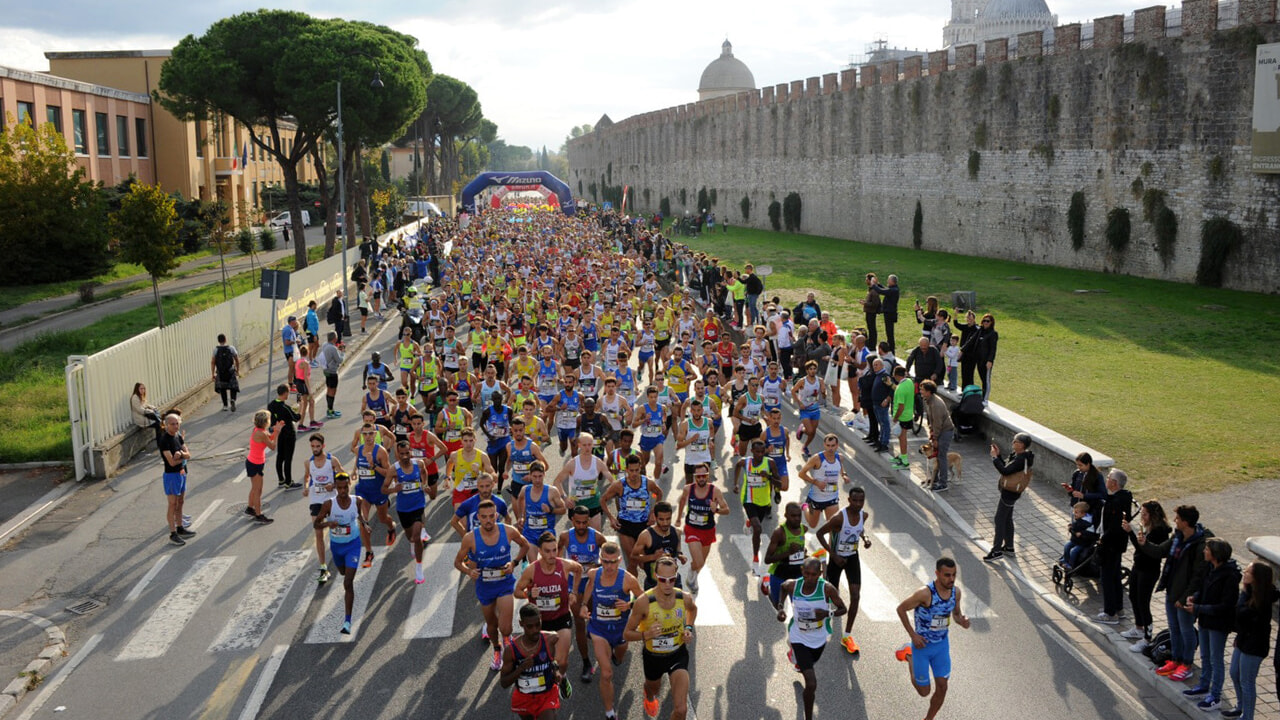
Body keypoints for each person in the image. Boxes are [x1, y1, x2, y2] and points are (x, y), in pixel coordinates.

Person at [454, 499, 531, 671]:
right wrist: (469, 572)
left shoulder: (508, 531)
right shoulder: (470, 538)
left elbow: (525, 545)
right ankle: (496, 649)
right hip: (484, 587)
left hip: (504, 583)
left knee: (507, 627)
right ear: (478, 518)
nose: (488, 520)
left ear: (496, 515)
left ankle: (507, 643)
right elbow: (458, 562)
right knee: (492, 624)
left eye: (491, 516)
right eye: (484, 517)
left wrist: (514, 563)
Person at [1137, 504, 1211, 683]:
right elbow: (1161, 550)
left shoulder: (1201, 545)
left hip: (1185, 597)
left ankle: (1187, 664)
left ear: (1185, 522)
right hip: (1172, 591)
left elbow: (1198, 576)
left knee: (1186, 631)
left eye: (1177, 518)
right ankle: (1176, 660)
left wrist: (1185, 597)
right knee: (1174, 629)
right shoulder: (1178, 536)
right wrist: (1144, 544)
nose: (1175, 521)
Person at [895, 557, 971, 720]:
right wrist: (913, 635)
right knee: (924, 692)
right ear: (937, 574)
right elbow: (901, 609)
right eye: (947, 575)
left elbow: (956, 614)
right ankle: (909, 656)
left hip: (941, 646)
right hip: (922, 647)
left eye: (954, 575)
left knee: (942, 687)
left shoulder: (955, 592)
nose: (951, 579)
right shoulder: (925, 593)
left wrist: (962, 621)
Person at [775, 557, 848, 720]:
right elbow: (782, 587)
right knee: (811, 682)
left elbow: (843, 609)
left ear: (820, 574)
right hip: (798, 636)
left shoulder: (827, 589)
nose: (809, 578)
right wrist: (780, 608)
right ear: (802, 571)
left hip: (819, 638)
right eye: (806, 574)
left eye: (814, 575)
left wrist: (827, 613)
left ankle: (797, 660)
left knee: (810, 663)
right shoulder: (794, 585)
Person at [625, 556, 697, 720]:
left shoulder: (683, 598)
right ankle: (648, 694)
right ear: (656, 576)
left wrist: (688, 628)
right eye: (663, 579)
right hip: (653, 657)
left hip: (678, 654)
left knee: (681, 710)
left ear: (676, 576)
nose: (667, 584)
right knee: (654, 689)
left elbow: (693, 611)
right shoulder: (644, 602)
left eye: (671, 580)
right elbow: (627, 633)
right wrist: (646, 634)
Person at [515, 532, 583, 699]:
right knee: (542, 659)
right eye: (547, 551)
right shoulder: (532, 570)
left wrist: (573, 592)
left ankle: (561, 678)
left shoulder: (564, 565)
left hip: (561, 618)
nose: (552, 555)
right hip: (540, 622)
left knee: (562, 661)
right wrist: (529, 593)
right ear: (540, 551)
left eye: (554, 550)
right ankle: (547, 681)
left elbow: (579, 569)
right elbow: (517, 591)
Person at [579, 541, 642, 720]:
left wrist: (629, 604)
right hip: (599, 630)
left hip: (621, 630)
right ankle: (609, 712)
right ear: (600, 560)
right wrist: (584, 605)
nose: (609, 566)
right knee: (606, 673)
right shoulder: (594, 574)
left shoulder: (628, 579)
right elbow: (590, 586)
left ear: (620, 560)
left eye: (613, 562)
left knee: (620, 657)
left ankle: (617, 656)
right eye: (605, 561)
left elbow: (644, 600)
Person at [1184, 538, 1241, 710]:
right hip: (1205, 620)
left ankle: (1215, 696)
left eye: (1207, 549)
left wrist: (1198, 607)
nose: (1204, 551)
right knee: (1205, 657)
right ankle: (1203, 686)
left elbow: (1225, 606)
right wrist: (1196, 597)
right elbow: (1203, 588)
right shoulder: (1211, 568)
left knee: (1216, 660)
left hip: (1218, 624)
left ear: (1215, 554)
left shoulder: (1230, 577)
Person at [1074, 468, 1132, 624]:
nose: (1106, 480)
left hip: (1110, 546)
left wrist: (1102, 541)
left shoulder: (1116, 503)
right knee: (1114, 576)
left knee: (1107, 578)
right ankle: (1117, 608)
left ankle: (1110, 613)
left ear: (1114, 483)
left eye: (1108, 478)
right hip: (1117, 545)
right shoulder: (1121, 498)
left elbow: (1113, 527)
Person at [313, 473, 368, 635]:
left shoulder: (357, 500)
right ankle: (344, 575)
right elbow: (316, 523)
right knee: (342, 572)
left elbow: (360, 515)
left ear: (349, 485)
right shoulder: (328, 505)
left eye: (345, 487)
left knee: (348, 582)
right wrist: (328, 523)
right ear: (335, 487)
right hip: (337, 546)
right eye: (340, 488)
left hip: (353, 545)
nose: (343, 491)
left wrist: (366, 524)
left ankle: (347, 621)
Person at [1226, 562, 1277, 720]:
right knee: (1234, 673)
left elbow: (1242, 615)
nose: (1244, 574)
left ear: (1256, 578)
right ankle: (1240, 706)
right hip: (1243, 640)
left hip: (1255, 646)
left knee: (1247, 681)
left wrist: (1242, 598)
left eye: (1248, 572)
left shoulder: (1263, 598)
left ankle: (1247, 716)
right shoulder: (1249, 592)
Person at [600, 454, 664, 577]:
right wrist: (611, 518)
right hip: (626, 526)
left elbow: (659, 493)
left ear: (640, 468)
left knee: (645, 561)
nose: (634, 474)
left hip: (644, 525)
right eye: (631, 470)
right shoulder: (619, 485)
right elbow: (603, 500)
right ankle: (633, 591)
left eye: (636, 470)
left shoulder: (647, 483)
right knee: (633, 560)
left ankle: (650, 583)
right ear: (626, 470)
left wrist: (653, 513)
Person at [1121, 500, 1171, 652]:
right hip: (1139, 566)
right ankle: (1138, 627)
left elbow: (1146, 549)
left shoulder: (1159, 531)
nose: (1142, 516)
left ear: (1153, 515)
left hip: (1149, 570)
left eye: (1144, 514)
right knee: (1133, 596)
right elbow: (1140, 547)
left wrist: (1130, 532)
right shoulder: (1147, 526)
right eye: (1141, 513)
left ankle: (1147, 638)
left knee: (1143, 601)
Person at [382, 440, 434, 584]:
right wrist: (393, 490)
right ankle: (412, 543)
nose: (405, 456)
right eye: (402, 454)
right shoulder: (394, 469)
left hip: (418, 505)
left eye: (407, 453)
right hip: (403, 508)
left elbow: (424, 473)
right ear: (397, 454)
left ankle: (418, 567)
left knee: (417, 536)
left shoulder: (419, 464)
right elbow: (383, 489)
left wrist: (424, 485)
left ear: (411, 451)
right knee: (410, 536)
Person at [673, 463, 729, 594]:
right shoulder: (688, 489)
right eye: (698, 476)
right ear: (694, 477)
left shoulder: (714, 491)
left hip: (708, 530)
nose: (701, 479)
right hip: (692, 529)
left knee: (701, 563)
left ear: (708, 476)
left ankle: (693, 574)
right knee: (698, 560)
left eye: (704, 476)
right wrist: (678, 518)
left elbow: (727, 510)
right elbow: (682, 501)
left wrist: (717, 510)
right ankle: (693, 574)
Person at [500, 603, 563, 720]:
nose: (535, 630)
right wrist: (521, 668)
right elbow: (504, 683)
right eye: (529, 626)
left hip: (546, 695)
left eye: (538, 624)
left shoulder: (551, 639)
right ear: (521, 624)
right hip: (524, 698)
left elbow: (552, 661)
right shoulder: (511, 650)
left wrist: (556, 671)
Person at [732, 439, 784, 570]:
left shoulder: (770, 463)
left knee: (756, 525)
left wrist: (769, 477)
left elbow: (780, 484)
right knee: (758, 528)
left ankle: (749, 522)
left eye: (762, 452)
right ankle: (755, 555)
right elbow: (737, 466)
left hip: (764, 500)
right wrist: (736, 484)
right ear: (752, 451)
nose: (760, 454)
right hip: (748, 498)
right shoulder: (746, 462)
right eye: (757, 452)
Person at [983, 432, 1034, 562]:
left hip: (1010, 493)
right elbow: (1006, 467)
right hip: (1010, 492)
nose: (1013, 443)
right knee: (1007, 518)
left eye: (1015, 441)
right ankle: (1009, 547)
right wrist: (998, 455)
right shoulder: (1018, 455)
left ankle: (996, 551)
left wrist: (994, 458)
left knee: (999, 519)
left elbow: (1004, 471)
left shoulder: (1021, 459)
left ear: (1022, 445)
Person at [303, 433, 344, 585]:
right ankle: (323, 567)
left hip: (331, 499)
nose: (315, 449)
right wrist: (306, 487)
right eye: (313, 446)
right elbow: (307, 477)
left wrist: (333, 485)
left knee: (336, 531)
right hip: (315, 499)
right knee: (318, 533)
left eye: (317, 446)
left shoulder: (332, 461)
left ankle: (342, 556)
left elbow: (343, 477)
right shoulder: (308, 462)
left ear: (323, 446)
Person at [353, 424, 396, 567]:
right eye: (365, 434)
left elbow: (388, 472)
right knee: (363, 522)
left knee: (383, 518)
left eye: (371, 433)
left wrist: (374, 467)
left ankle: (391, 527)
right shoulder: (359, 450)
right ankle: (369, 552)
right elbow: (358, 463)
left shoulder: (381, 451)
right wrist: (354, 471)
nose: (368, 437)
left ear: (375, 434)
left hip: (378, 491)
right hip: (363, 492)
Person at [514, 462, 568, 563]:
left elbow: (563, 509)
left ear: (544, 475)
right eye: (534, 476)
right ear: (530, 476)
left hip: (547, 533)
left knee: (549, 562)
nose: (538, 480)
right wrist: (521, 516)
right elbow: (520, 499)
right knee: (534, 564)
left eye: (540, 476)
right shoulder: (525, 490)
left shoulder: (552, 491)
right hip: (530, 533)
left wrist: (551, 510)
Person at [158, 413, 196, 546]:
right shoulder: (164, 440)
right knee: (172, 504)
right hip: (171, 475)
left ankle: (180, 527)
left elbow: (188, 454)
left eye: (177, 423)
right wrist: (182, 456)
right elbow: (171, 462)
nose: (175, 426)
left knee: (180, 502)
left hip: (182, 473)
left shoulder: (178, 436)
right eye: (172, 424)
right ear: (166, 425)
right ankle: (173, 533)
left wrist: (180, 454)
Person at [631, 502, 686, 590]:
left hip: (673, 582)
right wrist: (653, 557)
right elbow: (633, 557)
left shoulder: (676, 532)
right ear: (655, 518)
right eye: (661, 519)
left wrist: (679, 555)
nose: (665, 523)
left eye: (668, 519)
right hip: (653, 583)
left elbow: (677, 548)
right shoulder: (646, 535)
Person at [796, 434, 845, 530]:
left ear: (837, 445)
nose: (830, 448)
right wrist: (816, 483)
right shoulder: (817, 458)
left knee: (834, 527)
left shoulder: (840, 458)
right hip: (816, 498)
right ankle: (804, 506)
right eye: (828, 445)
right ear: (824, 445)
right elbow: (801, 474)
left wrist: (844, 474)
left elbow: (840, 466)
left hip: (832, 497)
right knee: (812, 524)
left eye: (833, 445)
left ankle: (830, 546)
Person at [244, 410, 283, 524]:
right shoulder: (261, 433)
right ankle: (258, 514)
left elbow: (269, 437)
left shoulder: (260, 430)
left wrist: (276, 431)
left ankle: (250, 508)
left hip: (255, 463)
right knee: (258, 490)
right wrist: (277, 433)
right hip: (254, 464)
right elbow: (272, 446)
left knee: (255, 488)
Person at [919, 381, 954, 491]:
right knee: (937, 456)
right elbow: (931, 420)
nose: (921, 391)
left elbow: (938, 423)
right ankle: (935, 479)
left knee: (941, 457)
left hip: (945, 431)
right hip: (938, 431)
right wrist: (931, 431)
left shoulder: (936, 404)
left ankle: (943, 483)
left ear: (929, 392)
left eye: (922, 390)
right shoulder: (928, 400)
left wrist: (935, 438)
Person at [267, 384, 302, 489]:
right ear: (285, 393)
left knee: (280, 457)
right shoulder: (285, 408)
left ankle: (281, 480)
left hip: (279, 434)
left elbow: (271, 421)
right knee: (288, 458)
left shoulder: (271, 405)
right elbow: (296, 418)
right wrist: (300, 406)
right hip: (289, 435)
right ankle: (289, 482)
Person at [1058, 502, 1097, 570]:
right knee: (1067, 546)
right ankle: (1066, 560)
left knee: (1074, 551)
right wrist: (1071, 527)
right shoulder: (1078, 519)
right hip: (1075, 540)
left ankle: (1071, 565)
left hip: (1082, 542)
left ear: (1083, 514)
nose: (1074, 514)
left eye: (1076, 512)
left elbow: (1090, 532)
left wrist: (1081, 533)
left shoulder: (1087, 523)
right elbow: (1075, 526)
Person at [890, 366, 914, 470]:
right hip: (908, 415)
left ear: (895, 375)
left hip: (902, 417)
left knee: (902, 438)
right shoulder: (909, 382)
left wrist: (895, 418)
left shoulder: (900, 389)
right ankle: (901, 456)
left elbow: (901, 406)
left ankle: (904, 460)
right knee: (901, 437)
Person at [317, 332, 344, 419]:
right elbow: (339, 360)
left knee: (329, 389)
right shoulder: (332, 348)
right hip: (332, 372)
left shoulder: (325, 345)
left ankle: (329, 409)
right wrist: (342, 352)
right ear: (334, 339)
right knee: (333, 391)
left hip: (326, 371)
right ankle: (330, 410)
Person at [871, 274, 901, 353]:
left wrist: (874, 285)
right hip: (888, 313)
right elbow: (885, 289)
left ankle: (892, 350)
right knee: (889, 332)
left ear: (892, 281)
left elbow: (882, 291)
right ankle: (891, 349)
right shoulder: (892, 289)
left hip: (890, 314)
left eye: (889, 280)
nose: (887, 281)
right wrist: (878, 284)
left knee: (890, 333)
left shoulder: (894, 290)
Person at [211, 333, 240, 411]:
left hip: (220, 372)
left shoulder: (216, 350)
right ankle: (233, 399)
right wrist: (237, 370)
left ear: (218, 341)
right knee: (233, 387)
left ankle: (225, 405)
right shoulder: (231, 348)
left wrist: (213, 374)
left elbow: (213, 362)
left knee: (223, 388)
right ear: (225, 339)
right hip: (230, 371)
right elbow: (237, 360)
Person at [294, 347, 318, 431]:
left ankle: (312, 421)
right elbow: (306, 377)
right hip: (303, 384)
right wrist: (310, 391)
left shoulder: (298, 361)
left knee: (311, 402)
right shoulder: (305, 363)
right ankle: (301, 424)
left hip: (298, 384)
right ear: (307, 352)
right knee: (305, 405)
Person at [859, 274, 881, 350]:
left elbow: (875, 303)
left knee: (872, 329)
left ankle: (872, 345)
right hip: (869, 312)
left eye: (866, 279)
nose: (865, 281)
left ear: (870, 280)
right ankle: (871, 343)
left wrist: (865, 303)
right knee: (870, 328)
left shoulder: (874, 291)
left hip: (871, 312)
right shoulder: (871, 289)